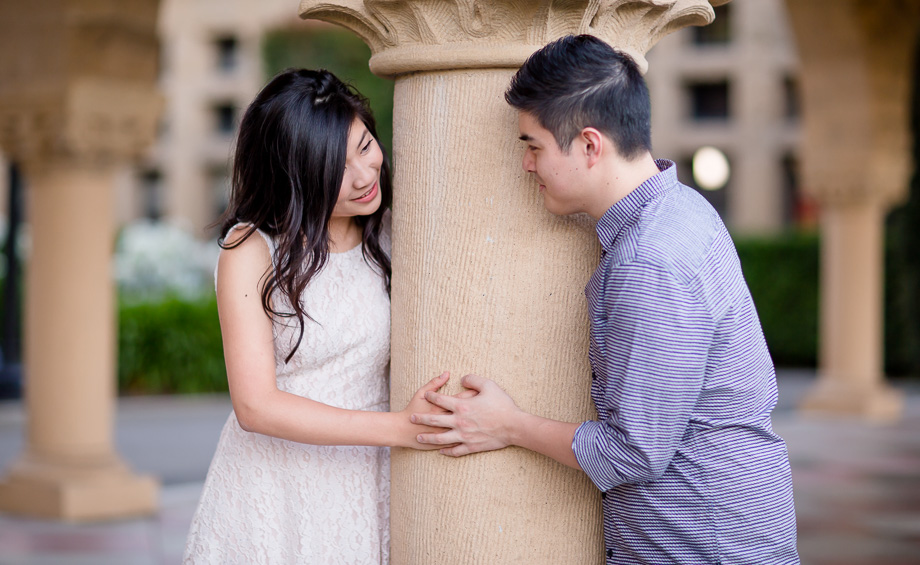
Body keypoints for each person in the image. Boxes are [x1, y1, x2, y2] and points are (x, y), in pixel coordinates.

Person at [411, 35, 800, 564]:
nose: (526, 165)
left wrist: (508, 425)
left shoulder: (649, 261)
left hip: (701, 540)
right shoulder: (682, 206)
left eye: (533, 145)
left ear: (590, 145)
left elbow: (633, 452)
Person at [183, 68, 452, 564]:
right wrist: (401, 428)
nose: (365, 174)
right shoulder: (252, 248)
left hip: (365, 478)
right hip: (277, 485)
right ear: (297, 178)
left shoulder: (392, 230)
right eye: (336, 169)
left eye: (366, 145)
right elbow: (256, 406)